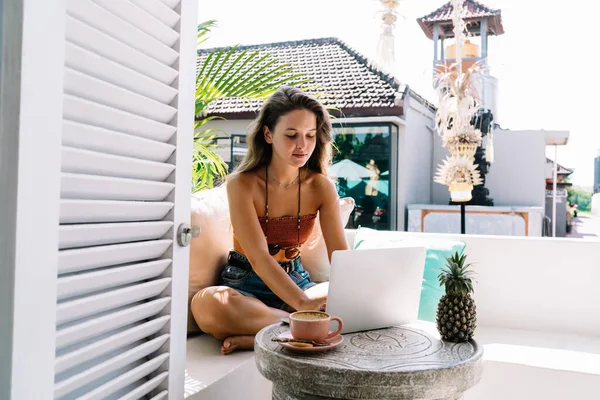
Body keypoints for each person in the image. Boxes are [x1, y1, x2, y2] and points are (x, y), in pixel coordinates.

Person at [190, 86, 350, 355]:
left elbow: (342, 258)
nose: (303, 145)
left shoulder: (321, 187)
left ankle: (267, 333)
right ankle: (297, 327)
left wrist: (357, 294)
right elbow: (259, 258)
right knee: (207, 306)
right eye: (291, 135)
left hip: (298, 282)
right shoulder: (241, 184)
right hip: (246, 284)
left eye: (310, 135)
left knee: (347, 298)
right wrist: (302, 306)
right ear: (267, 134)